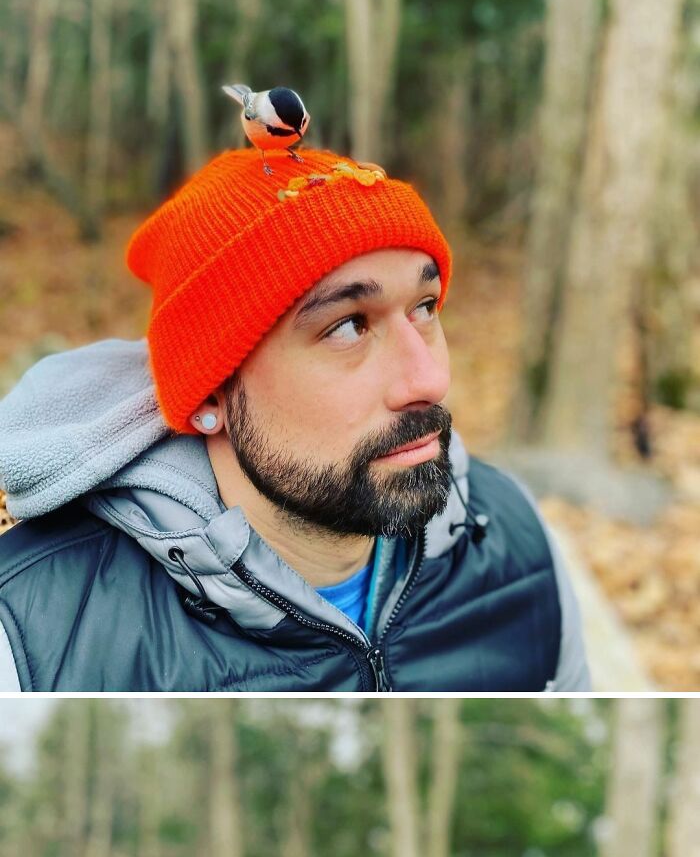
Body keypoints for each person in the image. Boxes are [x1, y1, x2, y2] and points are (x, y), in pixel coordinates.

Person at [0, 139, 590, 691]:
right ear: (210, 395)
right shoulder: (32, 637)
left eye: (425, 307)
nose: (429, 379)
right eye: (349, 326)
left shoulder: (517, 542)